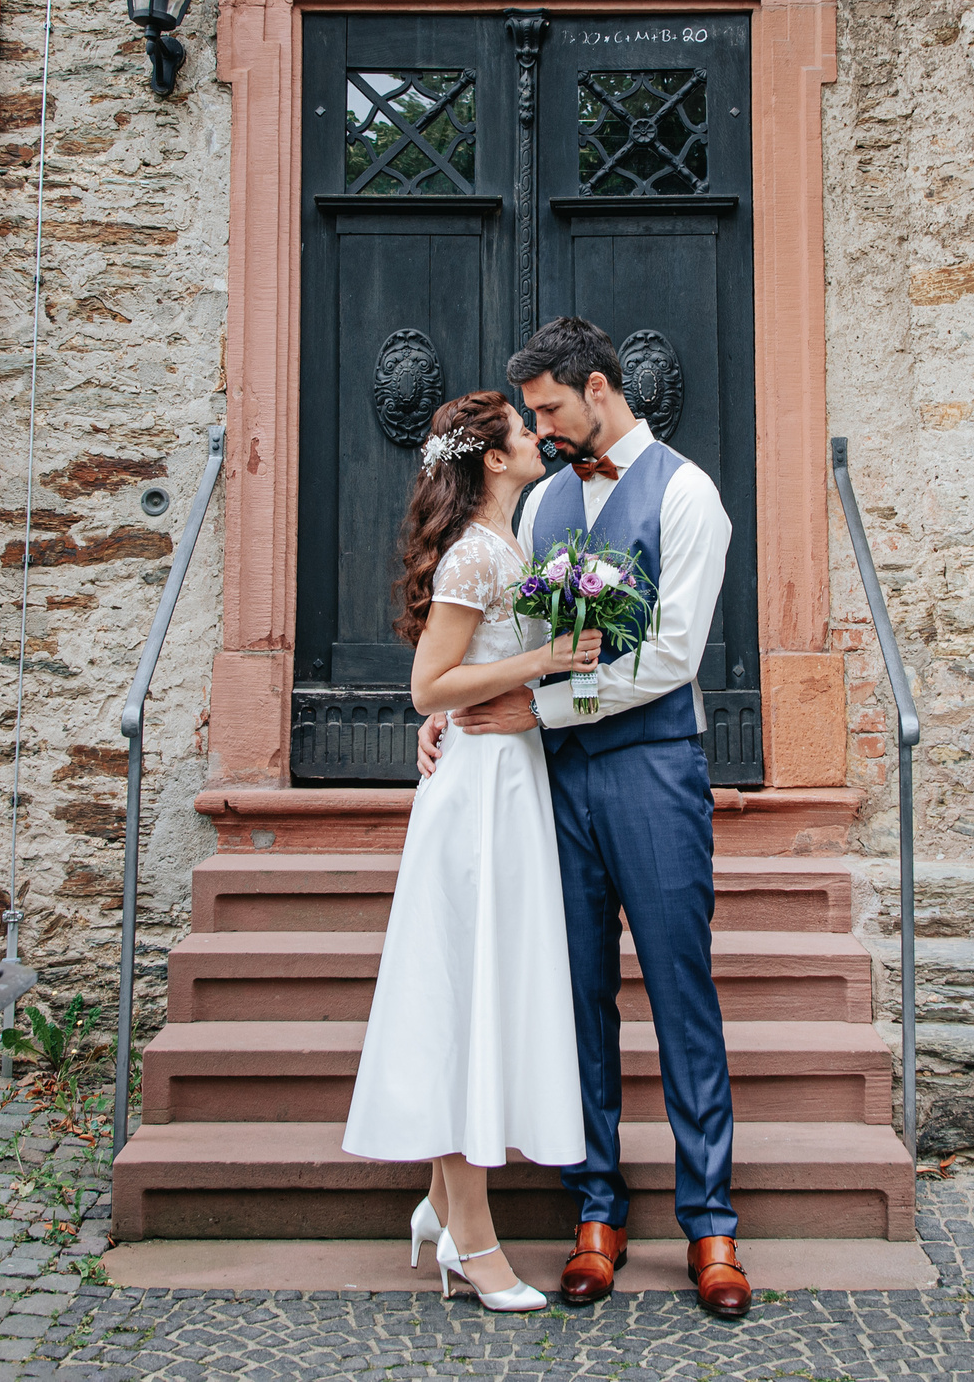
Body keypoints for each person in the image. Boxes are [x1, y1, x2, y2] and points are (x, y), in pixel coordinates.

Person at [416, 317, 752, 1321]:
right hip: (548, 784)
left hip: (651, 769)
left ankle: (710, 1222)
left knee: (680, 988)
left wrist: (540, 706)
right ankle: (594, 1211)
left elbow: (675, 653)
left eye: (553, 407)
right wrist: (441, 724)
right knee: (575, 997)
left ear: (599, 388)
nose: (544, 427)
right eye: (535, 415)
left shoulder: (689, 494)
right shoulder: (547, 496)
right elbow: (478, 630)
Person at [340, 389, 600, 1311]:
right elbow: (425, 685)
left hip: (506, 779)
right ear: (492, 457)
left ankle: (443, 1213)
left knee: (477, 996)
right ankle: (477, 1243)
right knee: (467, 1001)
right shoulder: (479, 555)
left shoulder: (515, 546)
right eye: (524, 431)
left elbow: (449, 687)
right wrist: (544, 660)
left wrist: (484, 691)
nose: (539, 439)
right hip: (479, 797)